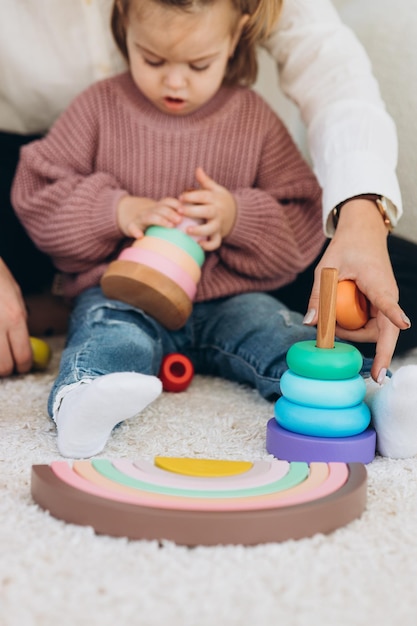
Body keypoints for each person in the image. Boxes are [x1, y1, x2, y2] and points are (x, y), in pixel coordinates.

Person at [11, 0, 417, 461]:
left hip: (230, 300)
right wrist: (116, 209)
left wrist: (236, 217)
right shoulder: (99, 106)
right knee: (107, 332)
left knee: (282, 332)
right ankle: (83, 400)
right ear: (124, 26)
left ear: (235, 39)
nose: (175, 80)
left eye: (198, 64)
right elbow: (38, 190)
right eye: (153, 59)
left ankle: (370, 397)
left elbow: (299, 216)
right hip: (125, 293)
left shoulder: (252, 117)